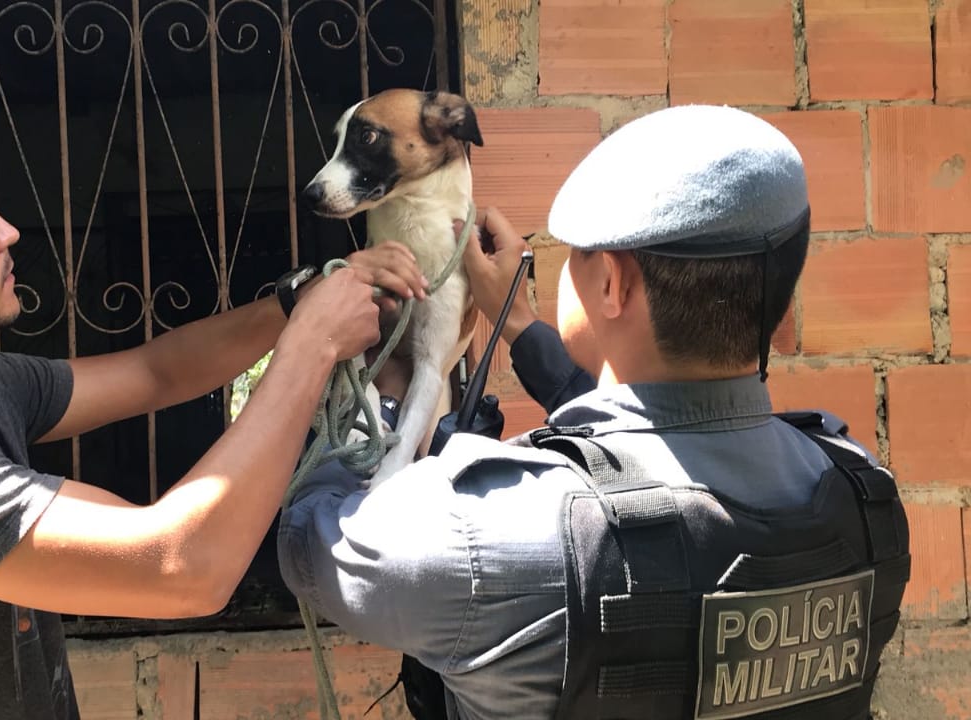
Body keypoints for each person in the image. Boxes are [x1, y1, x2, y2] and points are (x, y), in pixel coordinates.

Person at [0, 90, 427, 720]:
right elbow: (181, 567)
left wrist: (296, 300)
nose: (5, 231)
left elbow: (155, 372)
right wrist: (312, 344)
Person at [278, 105, 910, 720]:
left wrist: (379, 383)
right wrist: (518, 324)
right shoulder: (862, 491)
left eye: (573, 256)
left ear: (611, 282)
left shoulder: (479, 536)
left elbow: (307, 541)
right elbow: (655, 443)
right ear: (784, 306)